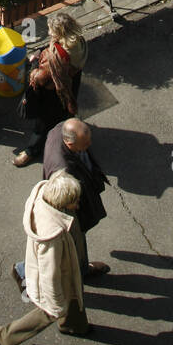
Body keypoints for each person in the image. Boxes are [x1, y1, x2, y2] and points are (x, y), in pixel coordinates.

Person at [0, 172, 92, 345]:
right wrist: (55, 304)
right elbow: (50, 273)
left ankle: (74, 325)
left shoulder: (46, 198)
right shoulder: (53, 236)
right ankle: (6, 336)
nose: (78, 204)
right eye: (75, 201)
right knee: (50, 311)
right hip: (62, 276)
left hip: (68, 270)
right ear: (63, 203)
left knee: (74, 297)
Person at [13, 11, 87, 167]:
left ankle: (32, 150)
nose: (49, 33)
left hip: (53, 94)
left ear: (59, 34)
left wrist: (33, 65)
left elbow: (39, 78)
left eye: (51, 31)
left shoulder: (54, 57)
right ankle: (68, 136)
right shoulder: (80, 42)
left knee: (43, 124)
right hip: (70, 86)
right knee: (64, 115)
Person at [43, 118, 109, 278]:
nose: (89, 146)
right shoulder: (63, 172)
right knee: (76, 243)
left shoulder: (60, 128)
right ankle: (82, 271)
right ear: (70, 144)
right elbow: (64, 202)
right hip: (72, 215)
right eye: (85, 145)